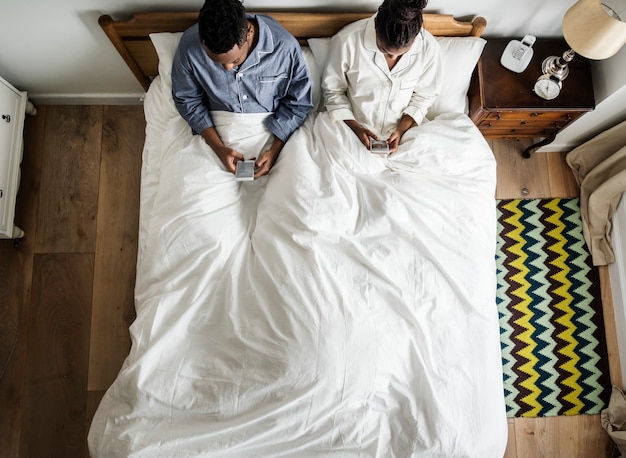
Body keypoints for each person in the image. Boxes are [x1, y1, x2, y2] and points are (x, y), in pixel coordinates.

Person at [171, 0, 314, 178]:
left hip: (275, 131)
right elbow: (187, 101)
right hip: (214, 130)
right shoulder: (189, 48)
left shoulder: (285, 48)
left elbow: (299, 103)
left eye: (235, 60)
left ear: (249, 33)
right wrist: (219, 148)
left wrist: (274, 150)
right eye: (217, 62)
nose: (227, 69)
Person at [321, 0, 441, 154]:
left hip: (405, 132)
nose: (392, 57)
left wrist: (400, 131)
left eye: (402, 54)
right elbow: (333, 91)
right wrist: (356, 127)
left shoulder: (428, 47)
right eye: (384, 50)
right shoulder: (346, 41)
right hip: (351, 129)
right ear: (376, 25)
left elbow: (425, 95)